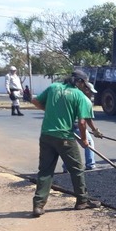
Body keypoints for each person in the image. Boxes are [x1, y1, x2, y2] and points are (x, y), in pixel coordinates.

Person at [30, 70, 102, 217]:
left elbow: (35, 101)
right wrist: (84, 139)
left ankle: (38, 205)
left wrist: (51, 111)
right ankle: (82, 200)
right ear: (79, 82)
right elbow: (82, 122)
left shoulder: (53, 87)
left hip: (46, 135)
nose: (84, 87)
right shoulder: (79, 95)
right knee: (76, 169)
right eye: (84, 84)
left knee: (45, 171)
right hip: (64, 137)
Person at [62, 82, 102, 172]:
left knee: (69, 147)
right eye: (90, 92)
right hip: (76, 126)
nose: (91, 95)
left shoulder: (72, 96)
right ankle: (90, 164)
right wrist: (94, 130)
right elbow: (86, 119)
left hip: (64, 126)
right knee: (89, 143)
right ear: (86, 89)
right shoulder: (85, 100)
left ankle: (66, 167)